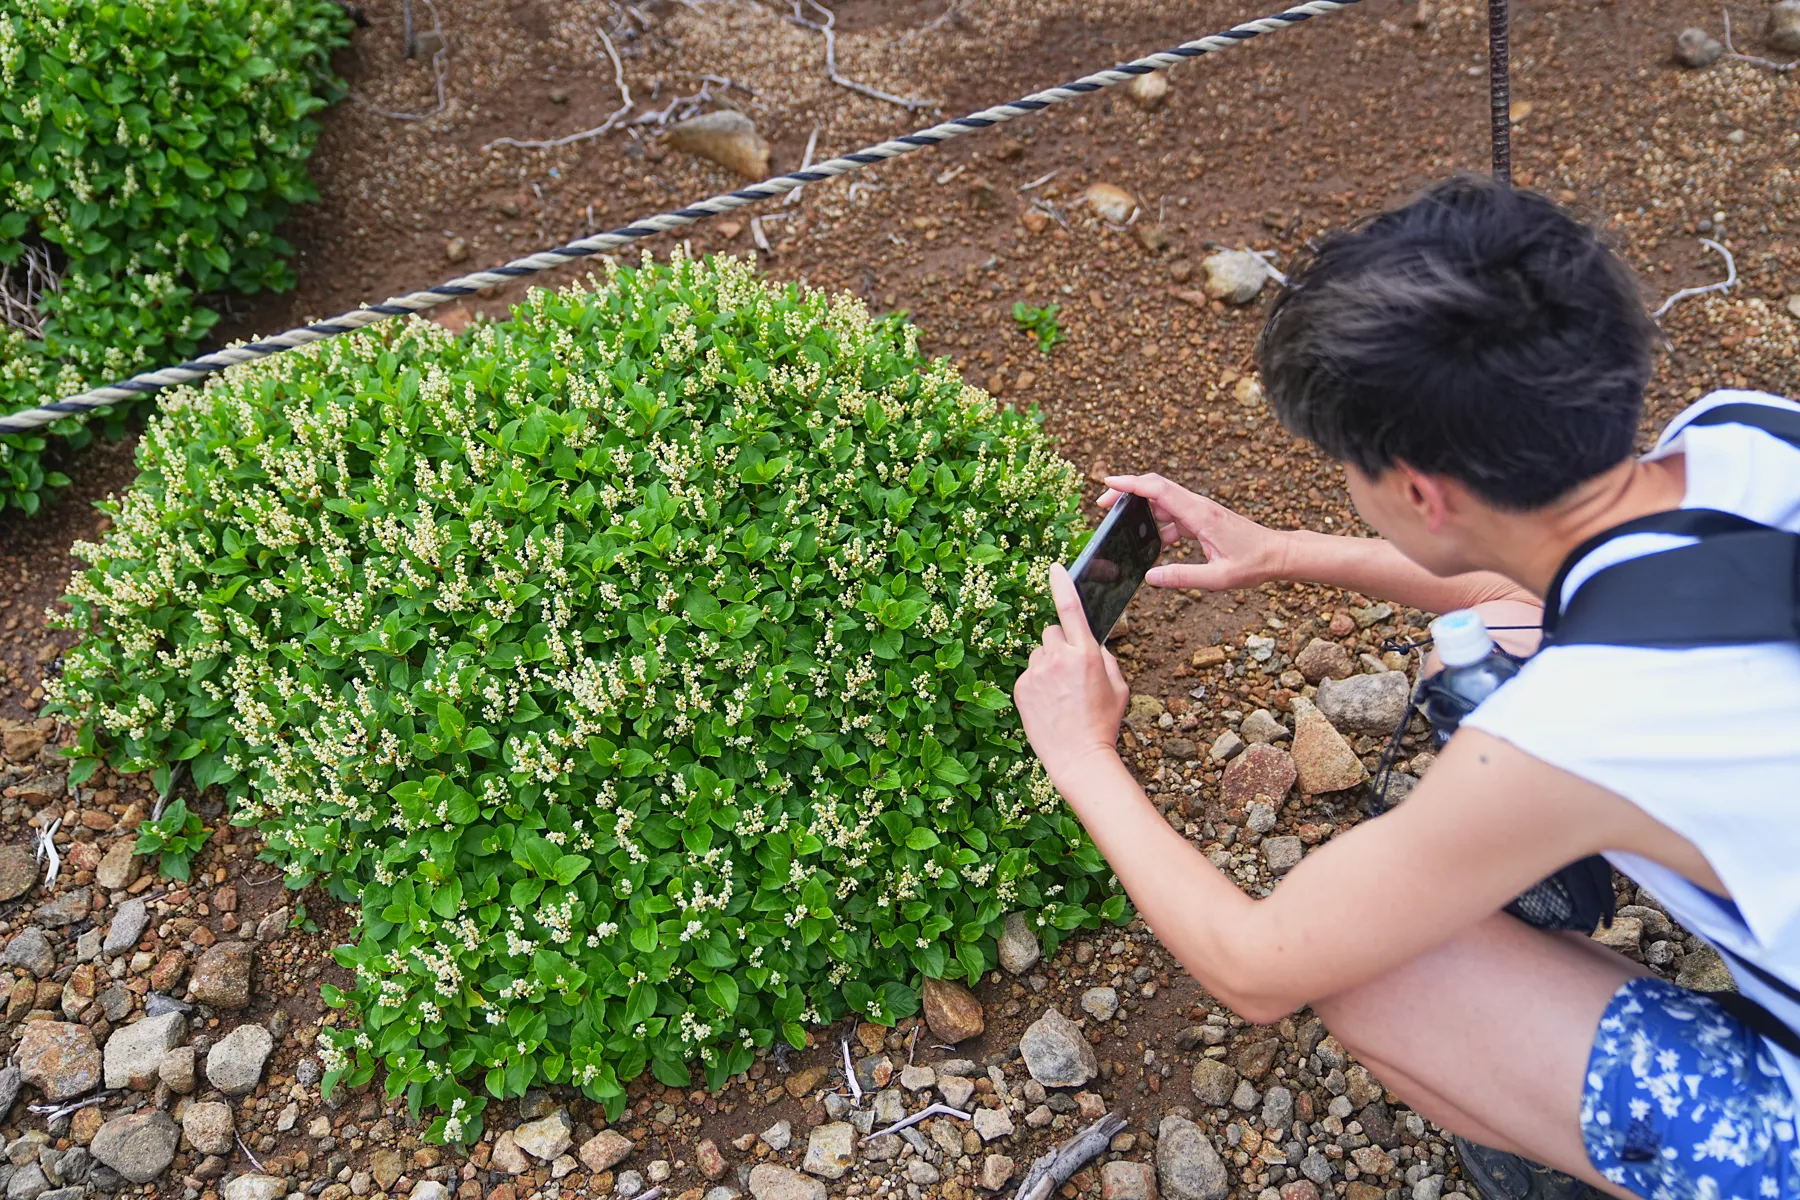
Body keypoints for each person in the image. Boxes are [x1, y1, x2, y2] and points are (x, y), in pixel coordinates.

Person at [1012, 178, 1800, 1200]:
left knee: (1379, 973)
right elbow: (1552, 580)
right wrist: (1278, 551)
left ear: (1420, 491)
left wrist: (1080, 752)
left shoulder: (1581, 725)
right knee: (1493, 633)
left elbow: (1254, 963)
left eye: (1345, 465)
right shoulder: (1745, 434)